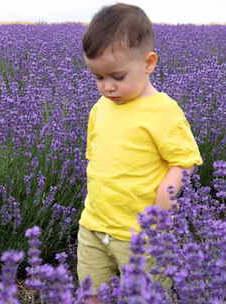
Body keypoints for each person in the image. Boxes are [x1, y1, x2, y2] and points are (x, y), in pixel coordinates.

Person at [77, 2, 203, 301]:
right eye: (98, 77)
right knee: (89, 295)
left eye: (117, 77)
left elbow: (183, 162)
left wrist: (163, 208)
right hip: (93, 226)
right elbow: (96, 161)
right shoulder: (100, 108)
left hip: (141, 234)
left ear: (149, 63)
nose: (107, 87)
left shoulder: (163, 111)